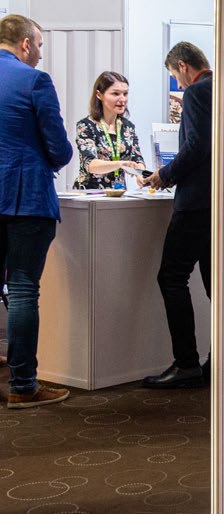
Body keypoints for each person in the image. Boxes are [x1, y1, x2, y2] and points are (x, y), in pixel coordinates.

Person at [139, 42, 224, 389]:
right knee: (218, 281)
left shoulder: (198, 93)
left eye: (176, 76)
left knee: (172, 276)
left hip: (200, 200)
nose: (178, 83)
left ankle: (186, 363)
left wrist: (164, 175)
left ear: (184, 66)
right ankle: (220, 363)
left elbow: (197, 146)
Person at [0, 14, 74, 408]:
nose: (41, 54)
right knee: (23, 289)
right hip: (26, 198)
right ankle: (23, 385)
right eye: (40, 45)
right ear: (25, 43)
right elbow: (59, 148)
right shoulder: (34, 81)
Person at [72, 71, 145, 190]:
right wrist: (121, 164)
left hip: (119, 193)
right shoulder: (86, 125)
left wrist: (140, 174)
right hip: (91, 193)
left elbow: (137, 158)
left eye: (125, 94)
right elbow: (91, 164)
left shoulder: (128, 127)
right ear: (99, 95)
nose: (122, 99)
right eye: (115, 94)